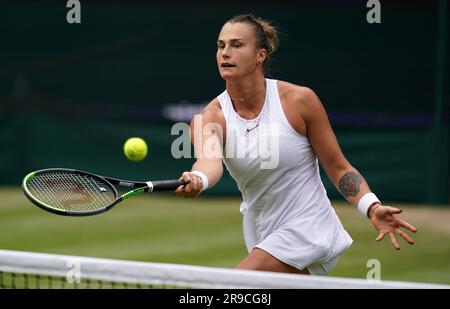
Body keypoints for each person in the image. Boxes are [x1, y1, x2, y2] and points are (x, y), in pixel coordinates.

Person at [173, 14, 417, 275]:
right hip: (263, 235)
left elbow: (338, 167)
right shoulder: (209, 118)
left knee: (232, 286)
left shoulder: (299, 101)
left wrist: (372, 207)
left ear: (260, 55)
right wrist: (198, 178)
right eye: (221, 46)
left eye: (236, 45)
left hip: (311, 229)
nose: (225, 53)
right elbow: (209, 164)